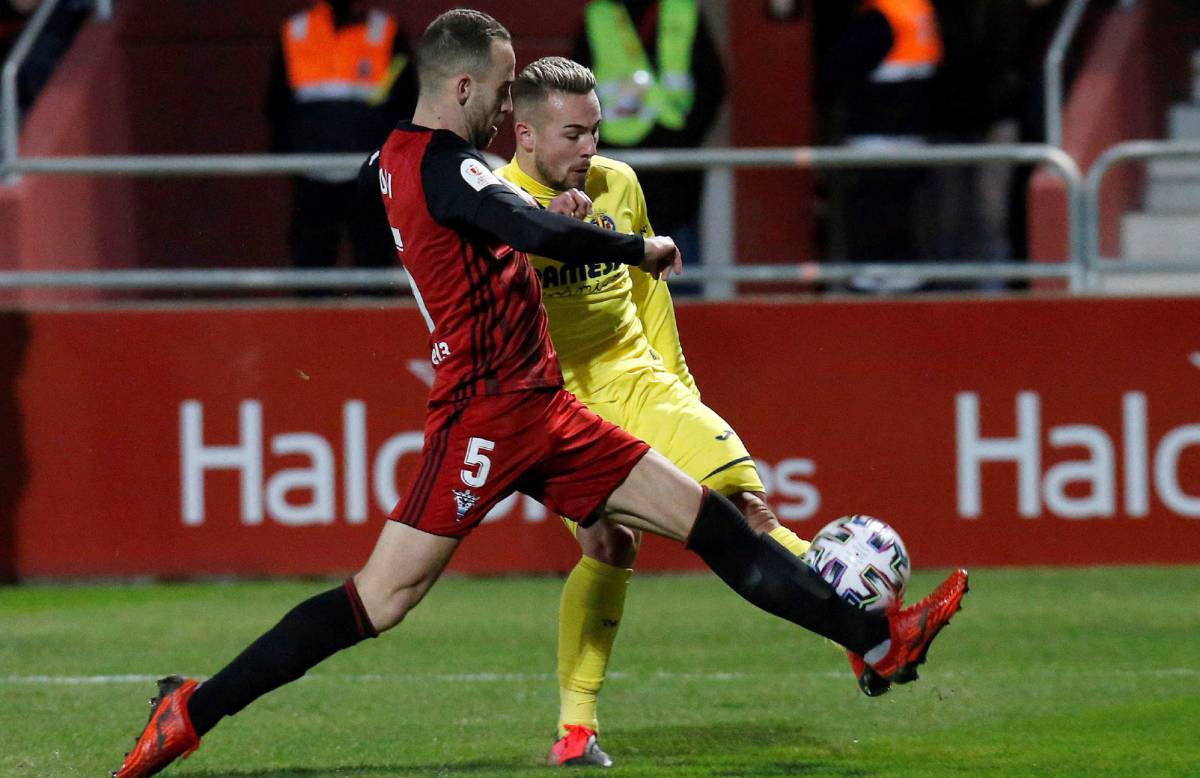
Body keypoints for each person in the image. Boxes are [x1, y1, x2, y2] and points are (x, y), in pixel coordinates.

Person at [111, 10, 968, 777]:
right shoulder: (447, 169)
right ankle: (190, 710)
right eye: (494, 90)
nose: (503, 112)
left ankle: (876, 641)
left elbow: (465, 199)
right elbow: (522, 224)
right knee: (381, 599)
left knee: (711, 522)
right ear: (460, 86)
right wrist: (634, 250)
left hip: (548, 409)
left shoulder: (402, 156)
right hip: (485, 415)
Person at [491, 55, 824, 767]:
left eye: (595, 132)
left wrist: (679, 389)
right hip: (566, 403)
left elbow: (648, 295)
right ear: (524, 135)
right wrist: (541, 231)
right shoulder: (494, 203)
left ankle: (870, 624)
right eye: (572, 135)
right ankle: (576, 729)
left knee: (751, 504)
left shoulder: (620, 184)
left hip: (640, 379)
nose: (590, 150)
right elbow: (491, 311)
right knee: (608, 548)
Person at [265, 0, 418, 283]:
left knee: (374, 270)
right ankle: (307, 327)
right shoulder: (296, 31)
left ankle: (374, 328)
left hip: (368, 175)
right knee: (310, 272)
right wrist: (289, 159)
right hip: (311, 176)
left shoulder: (386, 31)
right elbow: (277, 105)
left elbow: (406, 102)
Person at [571, 0, 724, 271]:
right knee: (621, 264)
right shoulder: (598, 16)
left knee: (680, 267)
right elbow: (575, 90)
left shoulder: (683, 10)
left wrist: (686, 138)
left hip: (676, 171)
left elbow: (713, 83)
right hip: (616, 164)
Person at [819, 0, 943, 293]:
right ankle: (901, 281)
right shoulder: (917, 11)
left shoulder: (882, 17)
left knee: (875, 217)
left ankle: (877, 285)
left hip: (877, 135)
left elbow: (837, 68)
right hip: (912, 134)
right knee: (901, 218)